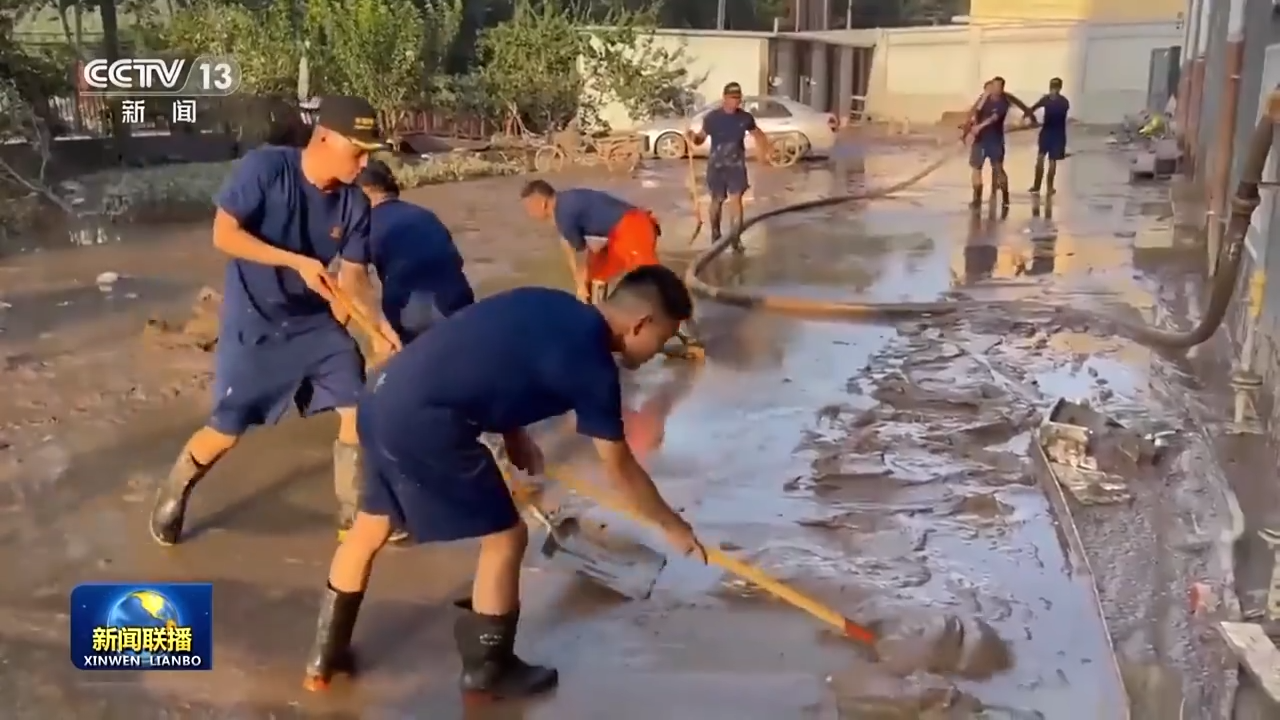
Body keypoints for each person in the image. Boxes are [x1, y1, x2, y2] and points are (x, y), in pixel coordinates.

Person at [301, 266, 707, 701]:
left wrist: (515, 432)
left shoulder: (548, 300)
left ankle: (324, 659)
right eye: (660, 340)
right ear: (640, 323)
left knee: (371, 526)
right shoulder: (592, 364)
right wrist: (673, 526)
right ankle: (489, 671)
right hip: (426, 420)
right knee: (505, 537)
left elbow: (491, 355)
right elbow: (620, 467)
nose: (656, 351)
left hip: (381, 396)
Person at [148, 95, 392, 547]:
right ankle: (175, 490)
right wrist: (294, 261)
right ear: (323, 139)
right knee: (228, 428)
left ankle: (350, 517)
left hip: (314, 323)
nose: (363, 163)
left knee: (357, 404)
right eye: (357, 151)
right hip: (254, 320)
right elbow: (223, 234)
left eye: (368, 154)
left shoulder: (354, 205)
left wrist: (378, 329)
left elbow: (354, 280)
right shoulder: (267, 169)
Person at [519, 180, 700, 351]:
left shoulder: (564, 212)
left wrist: (581, 285)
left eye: (528, 208)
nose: (528, 214)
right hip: (617, 235)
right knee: (597, 276)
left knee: (651, 283)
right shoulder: (563, 205)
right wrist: (581, 281)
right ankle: (599, 330)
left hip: (633, 227)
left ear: (540, 202)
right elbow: (569, 244)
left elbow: (580, 255)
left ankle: (684, 330)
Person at [346, 158, 475, 344]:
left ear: (361, 192)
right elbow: (455, 260)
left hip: (411, 311)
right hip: (459, 300)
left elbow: (351, 281)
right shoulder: (424, 214)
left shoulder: (364, 224)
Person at [685, 82, 772, 253]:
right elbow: (700, 139)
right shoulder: (712, 118)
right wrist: (693, 137)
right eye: (732, 98)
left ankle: (735, 239)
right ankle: (715, 236)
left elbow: (758, 134)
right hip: (716, 166)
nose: (735, 102)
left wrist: (764, 151)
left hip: (736, 165)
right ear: (724, 98)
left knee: (736, 201)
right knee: (716, 201)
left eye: (738, 99)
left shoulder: (745, 118)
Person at [963, 77, 1034, 210]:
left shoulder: (1003, 103)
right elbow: (975, 112)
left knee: (998, 168)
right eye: (992, 87)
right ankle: (976, 198)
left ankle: (1005, 197)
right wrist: (968, 130)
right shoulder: (984, 99)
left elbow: (993, 118)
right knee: (976, 168)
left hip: (994, 140)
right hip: (979, 141)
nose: (995, 89)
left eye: (998, 87)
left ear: (1002, 88)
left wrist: (979, 127)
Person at [1027, 78, 1070, 195]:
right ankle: (1039, 186)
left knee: (1051, 161)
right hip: (1050, 133)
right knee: (1042, 159)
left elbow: (1032, 109)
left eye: (1054, 88)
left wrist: (1030, 118)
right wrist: (1030, 119)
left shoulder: (1060, 102)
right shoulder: (1056, 100)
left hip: (1055, 134)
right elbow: (1032, 109)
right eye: (1052, 87)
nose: (1053, 90)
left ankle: (1047, 187)